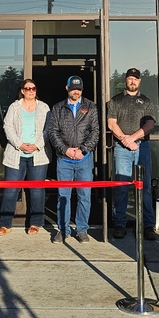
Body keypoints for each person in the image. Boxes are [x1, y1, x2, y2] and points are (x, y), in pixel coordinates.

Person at [107, 67, 159, 240]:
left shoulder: (147, 102)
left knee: (144, 188)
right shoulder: (116, 101)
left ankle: (148, 225)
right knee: (122, 187)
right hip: (122, 149)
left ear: (140, 81)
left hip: (142, 147)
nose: (132, 81)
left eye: (135, 79)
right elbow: (111, 124)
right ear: (125, 80)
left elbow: (149, 124)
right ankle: (120, 224)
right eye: (130, 78)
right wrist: (125, 140)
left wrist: (133, 139)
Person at [47, 75, 99, 243]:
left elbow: (95, 132)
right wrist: (66, 150)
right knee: (64, 196)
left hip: (84, 159)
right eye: (73, 88)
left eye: (79, 89)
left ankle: (82, 229)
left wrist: (83, 150)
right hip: (64, 159)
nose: (76, 91)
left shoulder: (91, 106)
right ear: (67, 88)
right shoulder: (57, 108)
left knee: (84, 195)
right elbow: (53, 132)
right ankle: (63, 230)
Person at [0, 78, 50, 235]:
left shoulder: (44, 107)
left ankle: (35, 223)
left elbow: (49, 129)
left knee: (37, 191)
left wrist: (37, 145)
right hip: (16, 154)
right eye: (27, 88)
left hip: (38, 155)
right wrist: (19, 144)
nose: (31, 91)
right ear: (22, 91)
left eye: (33, 88)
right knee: (10, 191)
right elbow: (8, 126)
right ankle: (5, 224)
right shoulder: (14, 107)